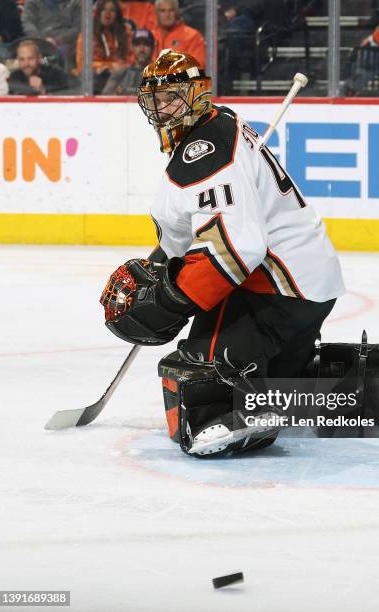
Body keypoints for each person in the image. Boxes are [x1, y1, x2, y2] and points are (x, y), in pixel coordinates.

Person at [100, 49, 345, 457]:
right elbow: (186, 223)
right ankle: (323, 384)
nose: (161, 108)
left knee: (198, 379)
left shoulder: (205, 154)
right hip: (308, 286)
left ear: (198, 95)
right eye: (154, 99)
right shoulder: (219, 122)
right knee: (280, 378)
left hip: (277, 291)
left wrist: (171, 299)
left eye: (172, 97)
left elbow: (238, 249)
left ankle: (247, 410)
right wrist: (164, 262)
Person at [74, 0, 132, 94]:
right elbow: (82, 63)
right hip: (93, 79)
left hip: (119, 78)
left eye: (112, 10)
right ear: (98, 13)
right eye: (103, 9)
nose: (107, 13)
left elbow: (131, 59)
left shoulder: (126, 33)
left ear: (117, 15)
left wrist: (120, 68)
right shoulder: (88, 33)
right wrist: (108, 66)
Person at [21, 0, 81, 70]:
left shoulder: (76, 3)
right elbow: (27, 23)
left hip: (67, 45)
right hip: (39, 43)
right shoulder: (33, 2)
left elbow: (79, 28)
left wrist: (57, 40)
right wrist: (41, 40)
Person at [150, 0, 205, 67]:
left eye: (171, 10)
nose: (167, 15)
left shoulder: (193, 36)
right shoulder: (150, 35)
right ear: (155, 13)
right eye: (162, 11)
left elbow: (197, 66)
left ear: (177, 12)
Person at [102, 28, 154, 94]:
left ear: (153, 48)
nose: (142, 49)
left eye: (146, 44)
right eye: (137, 44)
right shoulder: (120, 74)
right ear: (132, 47)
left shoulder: (161, 75)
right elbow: (105, 97)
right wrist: (116, 93)